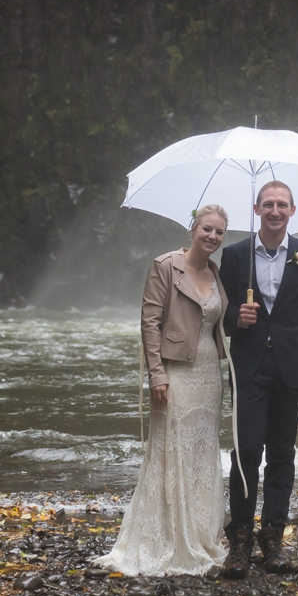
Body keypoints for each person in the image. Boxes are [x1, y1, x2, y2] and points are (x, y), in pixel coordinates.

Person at [95, 205, 234, 576]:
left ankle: (200, 534)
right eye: (207, 229)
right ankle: (167, 540)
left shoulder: (216, 272)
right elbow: (150, 321)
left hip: (209, 373)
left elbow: (218, 322)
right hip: (176, 372)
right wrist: (157, 375)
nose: (213, 237)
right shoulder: (165, 265)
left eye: (220, 232)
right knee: (171, 451)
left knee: (202, 452)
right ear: (193, 229)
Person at [217, 181, 298, 578]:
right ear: (256, 208)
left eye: (282, 205)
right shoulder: (234, 256)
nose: (275, 210)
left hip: (292, 369)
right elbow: (220, 313)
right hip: (247, 367)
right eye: (268, 204)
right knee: (246, 452)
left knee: (282, 455)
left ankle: (273, 538)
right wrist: (236, 319)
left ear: (292, 211)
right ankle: (240, 541)